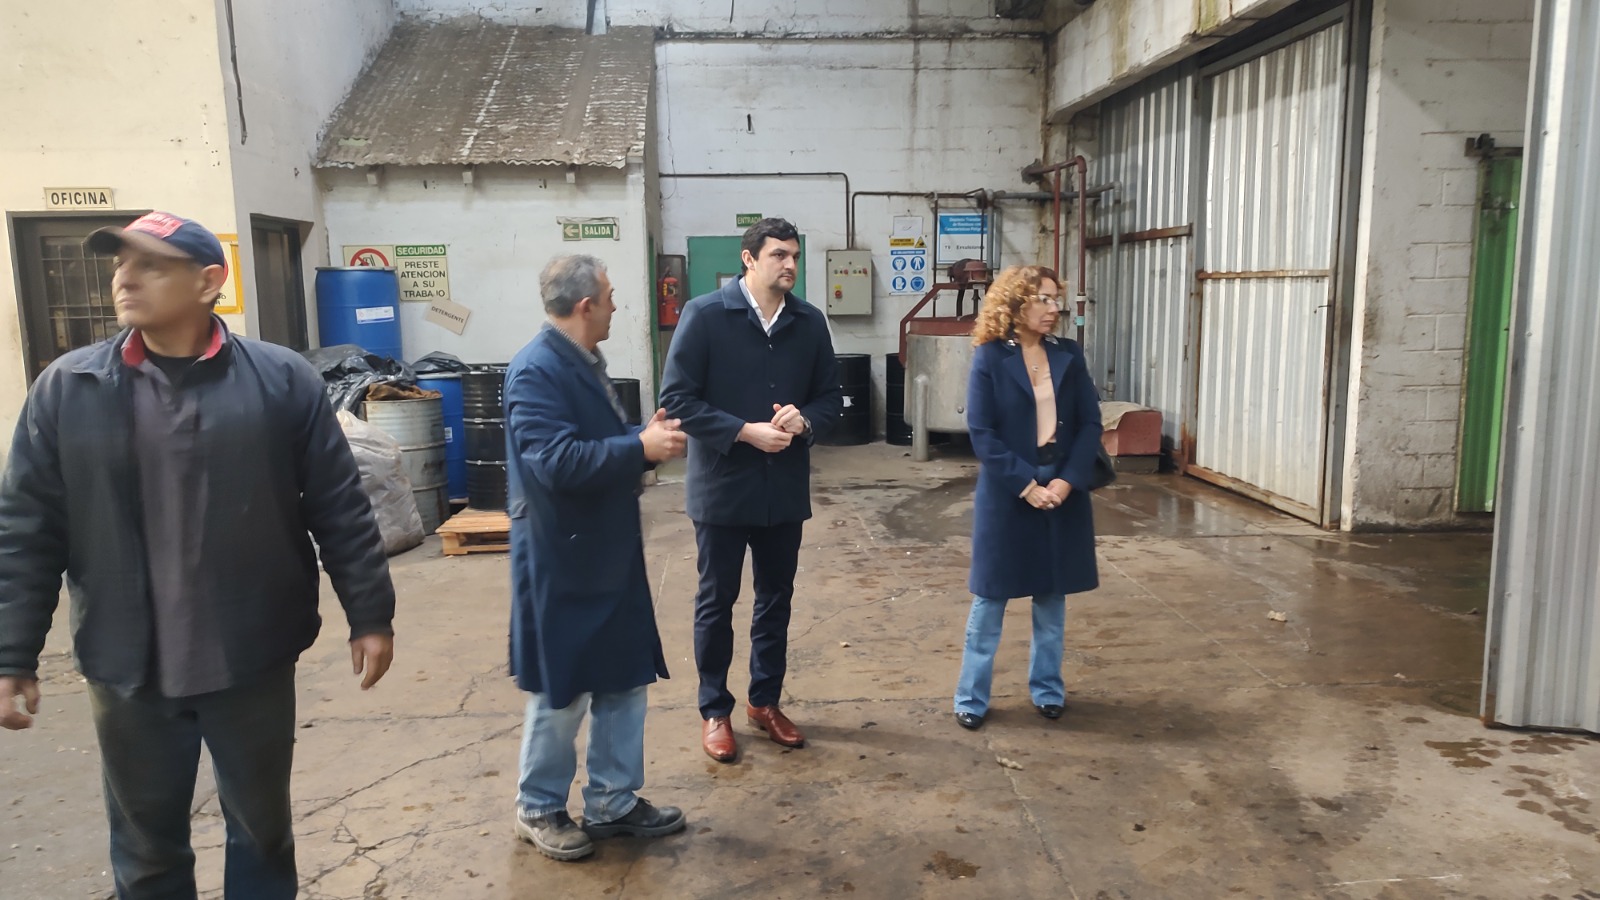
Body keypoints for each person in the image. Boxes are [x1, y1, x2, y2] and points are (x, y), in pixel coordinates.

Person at [0, 211, 396, 898]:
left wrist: (370, 614)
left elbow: (338, 506)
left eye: (149, 265)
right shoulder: (69, 389)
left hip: (250, 655)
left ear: (209, 281)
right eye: (120, 264)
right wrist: (12, 652)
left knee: (262, 833)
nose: (124, 279)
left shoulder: (280, 382)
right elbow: (26, 529)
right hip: (128, 668)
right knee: (146, 848)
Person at [506, 254, 688, 861]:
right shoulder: (536, 370)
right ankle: (538, 806)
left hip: (605, 551)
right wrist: (639, 448)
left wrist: (640, 436)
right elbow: (554, 462)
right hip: (563, 557)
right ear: (585, 306)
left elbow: (589, 442)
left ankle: (612, 801)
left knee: (622, 677)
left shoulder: (583, 361)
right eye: (610, 297)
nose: (615, 306)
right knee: (564, 688)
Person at [659, 217, 842, 763]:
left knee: (776, 600)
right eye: (779, 255)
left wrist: (804, 421)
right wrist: (743, 431)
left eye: (794, 256)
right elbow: (677, 401)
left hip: (782, 488)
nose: (790, 265)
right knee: (717, 602)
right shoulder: (705, 316)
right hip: (722, 487)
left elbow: (831, 399)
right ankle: (715, 710)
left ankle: (765, 701)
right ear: (749, 259)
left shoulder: (808, 323)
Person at [953, 264, 1103, 730]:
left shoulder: (1068, 354)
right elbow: (982, 432)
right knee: (990, 598)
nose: (1054, 308)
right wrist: (1026, 485)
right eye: (1043, 299)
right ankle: (971, 698)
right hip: (1009, 491)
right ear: (1016, 304)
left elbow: (1090, 423)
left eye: (1056, 299)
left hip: (1061, 485)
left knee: (1052, 596)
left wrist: (1066, 481)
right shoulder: (990, 357)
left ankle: (1047, 690)